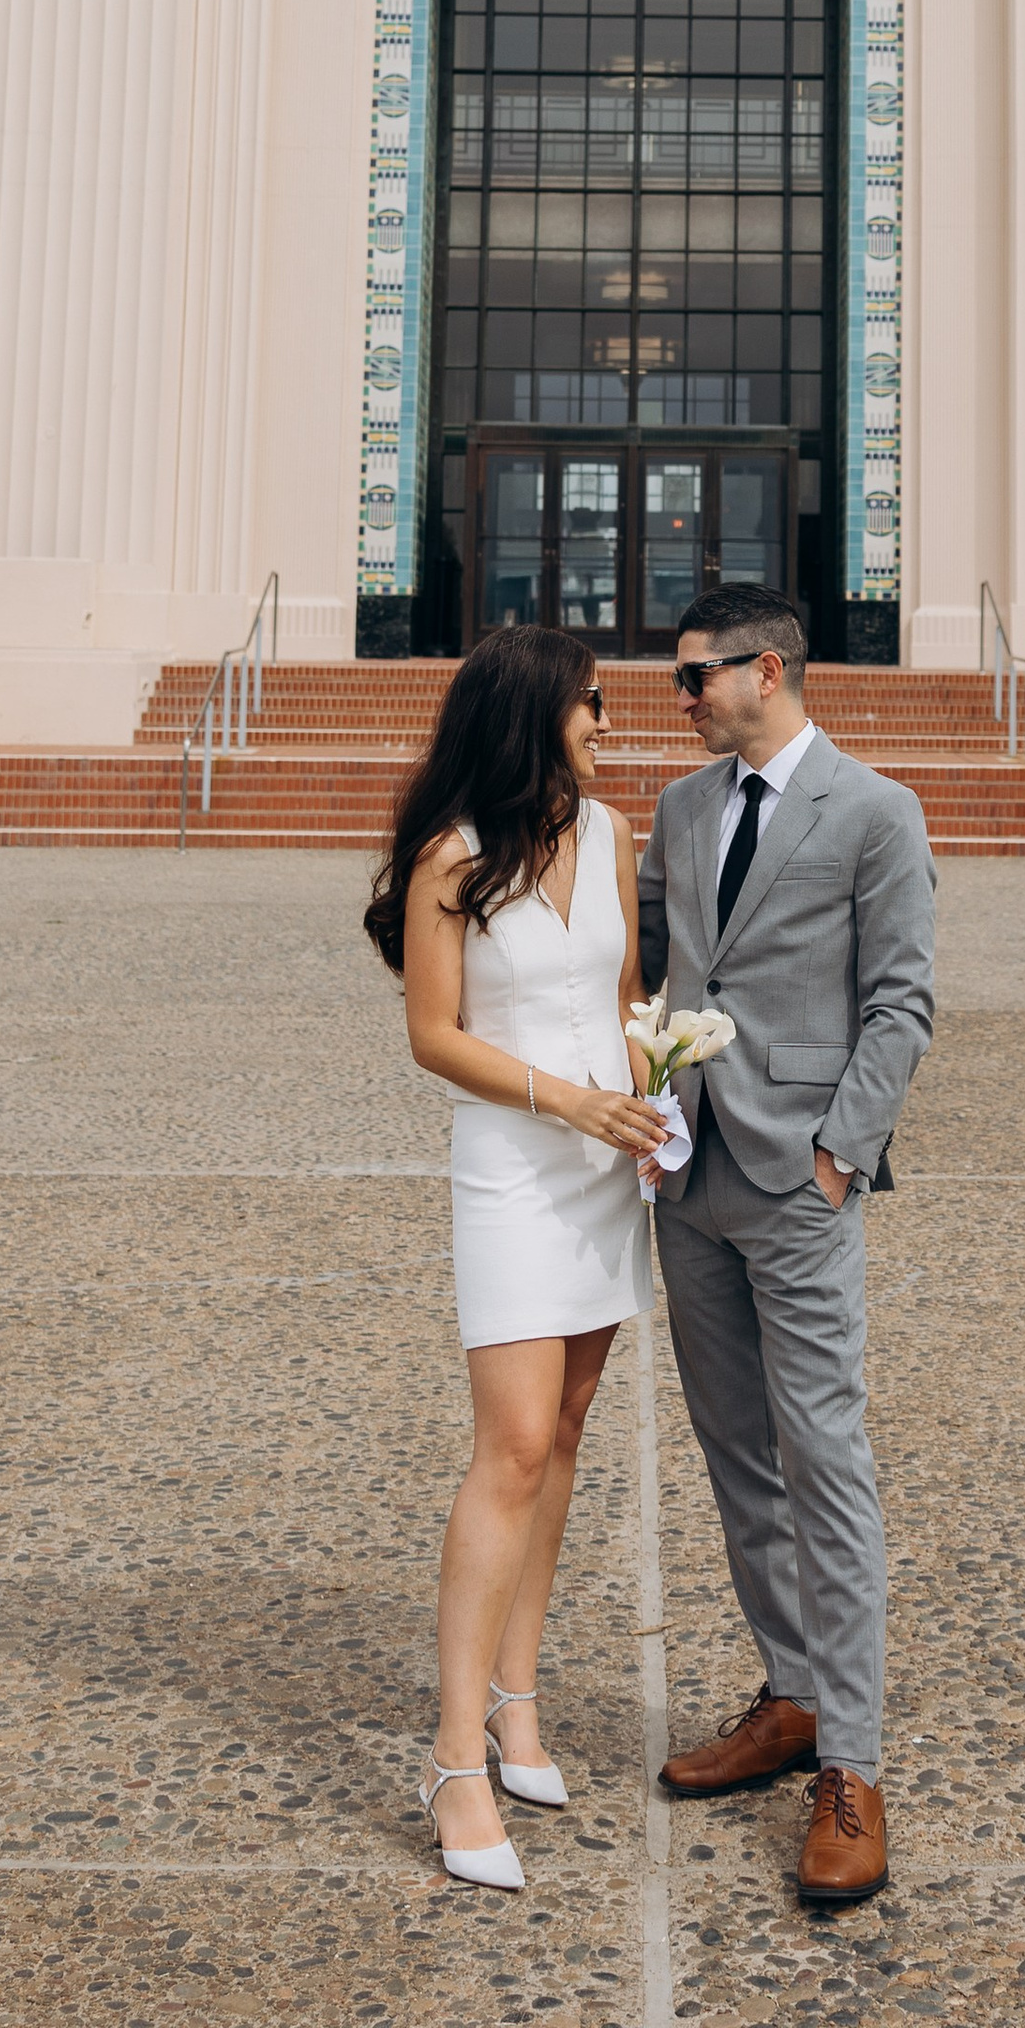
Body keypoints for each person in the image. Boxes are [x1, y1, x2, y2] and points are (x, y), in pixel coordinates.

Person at [637, 587, 936, 1910]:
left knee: (825, 1457)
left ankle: (853, 1768)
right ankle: (793, 1693)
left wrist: (838, 1156)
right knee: (736, 1454)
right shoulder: (680, 808)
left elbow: (902, 1001)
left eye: (695, 677)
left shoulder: (875, 811)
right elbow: (652, 962)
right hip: (689, 1176)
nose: (681, 699)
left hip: (800, 1182)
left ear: (768, 671)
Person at [364, 624, 666, 1890]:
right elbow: (433, 1036)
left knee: (570, 1428)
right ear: (533, 712)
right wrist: (570, 1100)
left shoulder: (611, 833)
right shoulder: (452, 856)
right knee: (514, 1446)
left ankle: (517, 1699)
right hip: (513, 1167)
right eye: (591, 702)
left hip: (607, 1164)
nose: (607, 722)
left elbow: (625, 994)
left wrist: (654, 1097)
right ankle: (453, 1759)